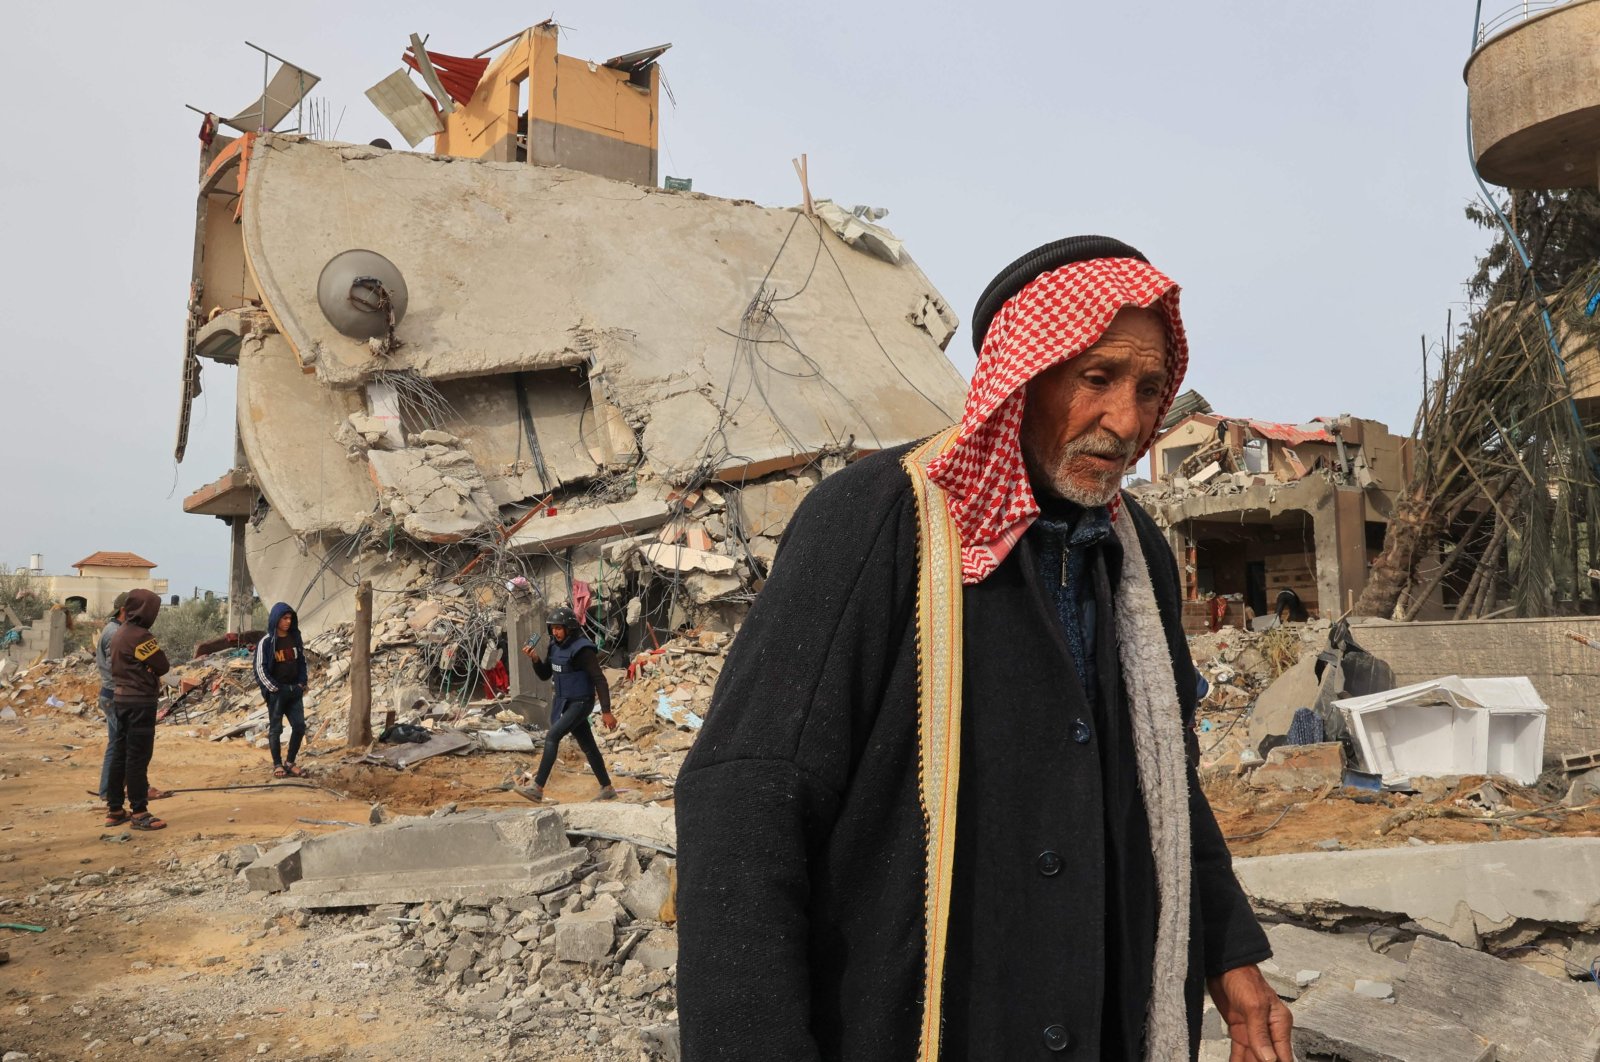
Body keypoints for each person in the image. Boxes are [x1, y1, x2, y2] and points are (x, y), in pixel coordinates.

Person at [675, 237, 1293, 1061]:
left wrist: (1230, 955)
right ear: (1024, 378)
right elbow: (746, 807)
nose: (1127, 421)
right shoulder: (878, 522)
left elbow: (1163, 781)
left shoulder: (1132, 552)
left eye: (1149, 389)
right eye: (1097, 378)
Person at [518, 605, 617, 802]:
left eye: (559, 628)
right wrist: (535, 659)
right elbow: (545, 674)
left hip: (581, 702)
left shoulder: (583, 650)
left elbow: (599, 679)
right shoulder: (554, 647)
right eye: (553, 628)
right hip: (564, 702)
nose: (555, 632)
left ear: (569, 628)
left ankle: (537, 788)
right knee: (588, 746)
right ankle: (607, 788)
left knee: (552, 736)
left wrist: (606, 711)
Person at [106, 588, 170, 831]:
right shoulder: (142, 637)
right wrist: (150, 670)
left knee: (120, 755)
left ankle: (114, 809)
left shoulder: (119, 633)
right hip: (140, 703)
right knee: (138, 757)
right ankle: (140, 812)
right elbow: (162, 665)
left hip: (120, 700)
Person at [254, 603, 309, 778]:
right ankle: (277, 764)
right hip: (277, 693)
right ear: (276, 619)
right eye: (284, 618)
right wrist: (273, 688)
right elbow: (259, 668)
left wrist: (302, 683)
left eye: (289, 618)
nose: (287, 621)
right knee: (275, 729)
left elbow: (302, 661)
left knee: (299, 727)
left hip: (294, 691)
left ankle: (290, 762)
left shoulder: (295, 638)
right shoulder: (267, 642)